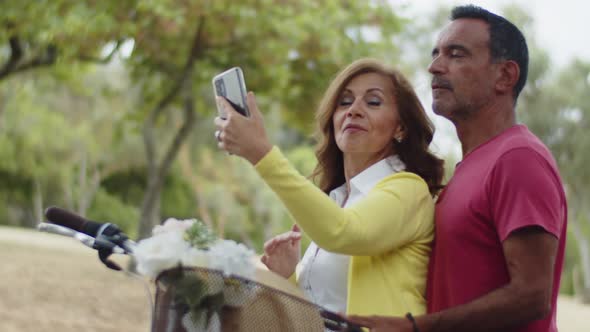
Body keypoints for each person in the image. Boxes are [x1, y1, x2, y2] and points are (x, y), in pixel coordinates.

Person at [346, 5, 568, 332]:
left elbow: (532, 294)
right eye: (436, 54)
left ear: (505, 76)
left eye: (457, 54)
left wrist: (418, 327)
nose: (435, 67)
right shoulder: (470, 168)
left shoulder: (518, 158)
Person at [213, 58, 445, 317]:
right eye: (344, 102)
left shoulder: (408, 190)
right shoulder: (337, 202)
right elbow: (316, 315)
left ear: (400, 127)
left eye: (373, 102)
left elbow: (343, 232)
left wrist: (261, 154)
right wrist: (288, 278)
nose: (353, 110)